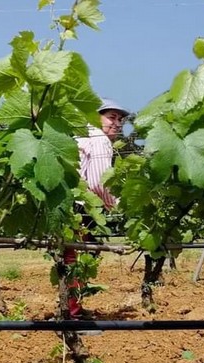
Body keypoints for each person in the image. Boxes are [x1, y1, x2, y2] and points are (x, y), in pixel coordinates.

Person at [65, 98, 130, 319]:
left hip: (69, 204)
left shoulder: (81, 136)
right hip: (81, 208)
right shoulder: (99, 139)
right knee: (78, 259)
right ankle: (73, 314)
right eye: (111, 117)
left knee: (70, 258)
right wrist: (119, 204)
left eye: (120, 119)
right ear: (96, 117)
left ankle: (71, 308)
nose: (117, 123)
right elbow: (99, 182)